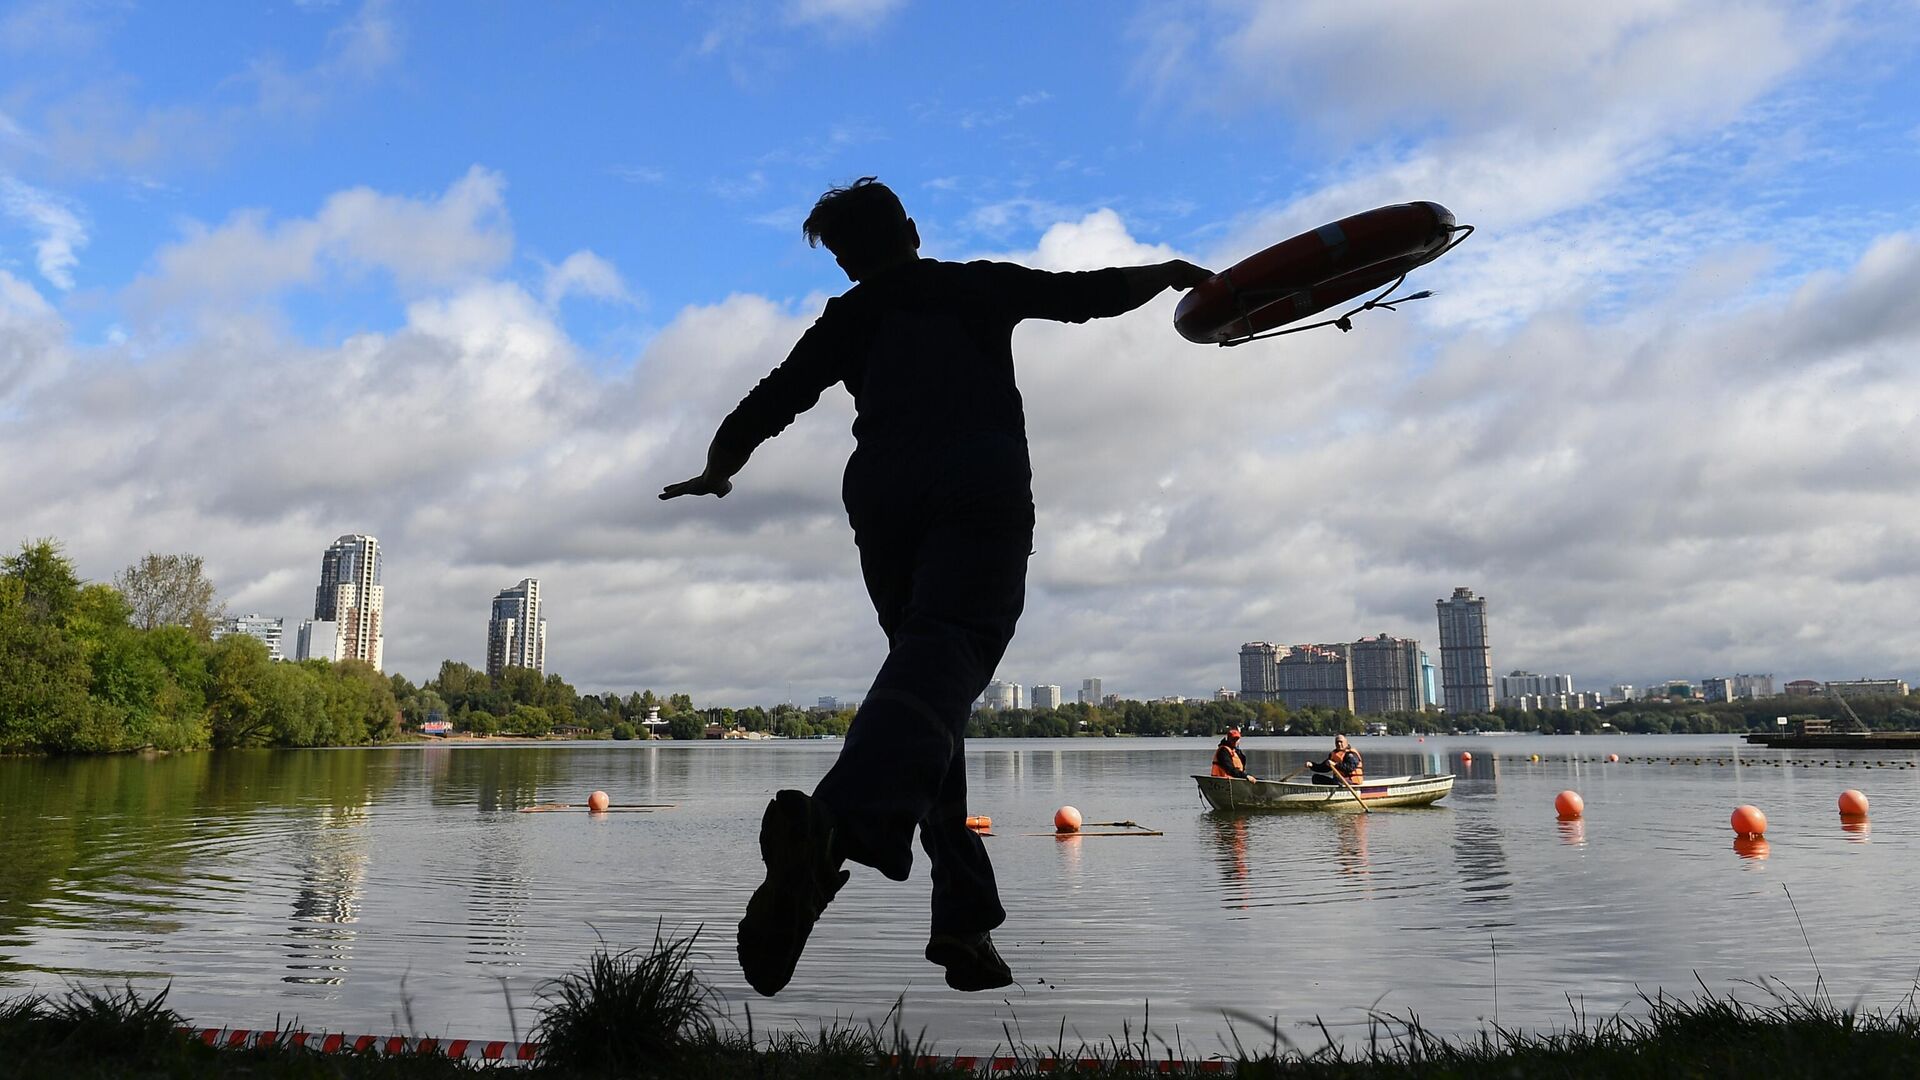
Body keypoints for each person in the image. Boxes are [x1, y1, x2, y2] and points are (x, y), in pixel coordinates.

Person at [660, 177, 1211, 997]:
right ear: (912, 230)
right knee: (944, 659)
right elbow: (1085, 296)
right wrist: (1166, 273)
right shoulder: (974, 283)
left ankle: (962, 919)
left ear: (846, 260)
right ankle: (833, 829)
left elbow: (770, 399)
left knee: (928, 686)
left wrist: (717, 468)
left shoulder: (850, 316)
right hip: (977, 490)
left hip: (884, 500)